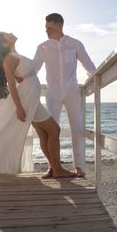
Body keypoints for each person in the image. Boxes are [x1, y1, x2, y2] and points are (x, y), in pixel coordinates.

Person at [0, 31, 75, 178]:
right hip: (26, 100)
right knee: (54, 130)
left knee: (45, 134)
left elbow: (22, 75)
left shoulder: (15, 55)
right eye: (7, 34)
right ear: (4, 43)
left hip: (31, 99)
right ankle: (57, 169)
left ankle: (54, 168)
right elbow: (11, 85)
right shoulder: (9, 59)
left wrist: (23, 77)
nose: (11, 33)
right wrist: (19, 107)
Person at [34, 13, 96, 178]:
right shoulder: (42, 47)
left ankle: (80, 167)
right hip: (52, 94)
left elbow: (89, 65)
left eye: (50, 28)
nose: (47, 31)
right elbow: (33, 70)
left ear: (59, 26)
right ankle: (53, 167)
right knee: (50, 133)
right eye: (46, 28)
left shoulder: (75, 44)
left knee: (77, 130)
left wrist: (99, 82)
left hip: (72, 92)